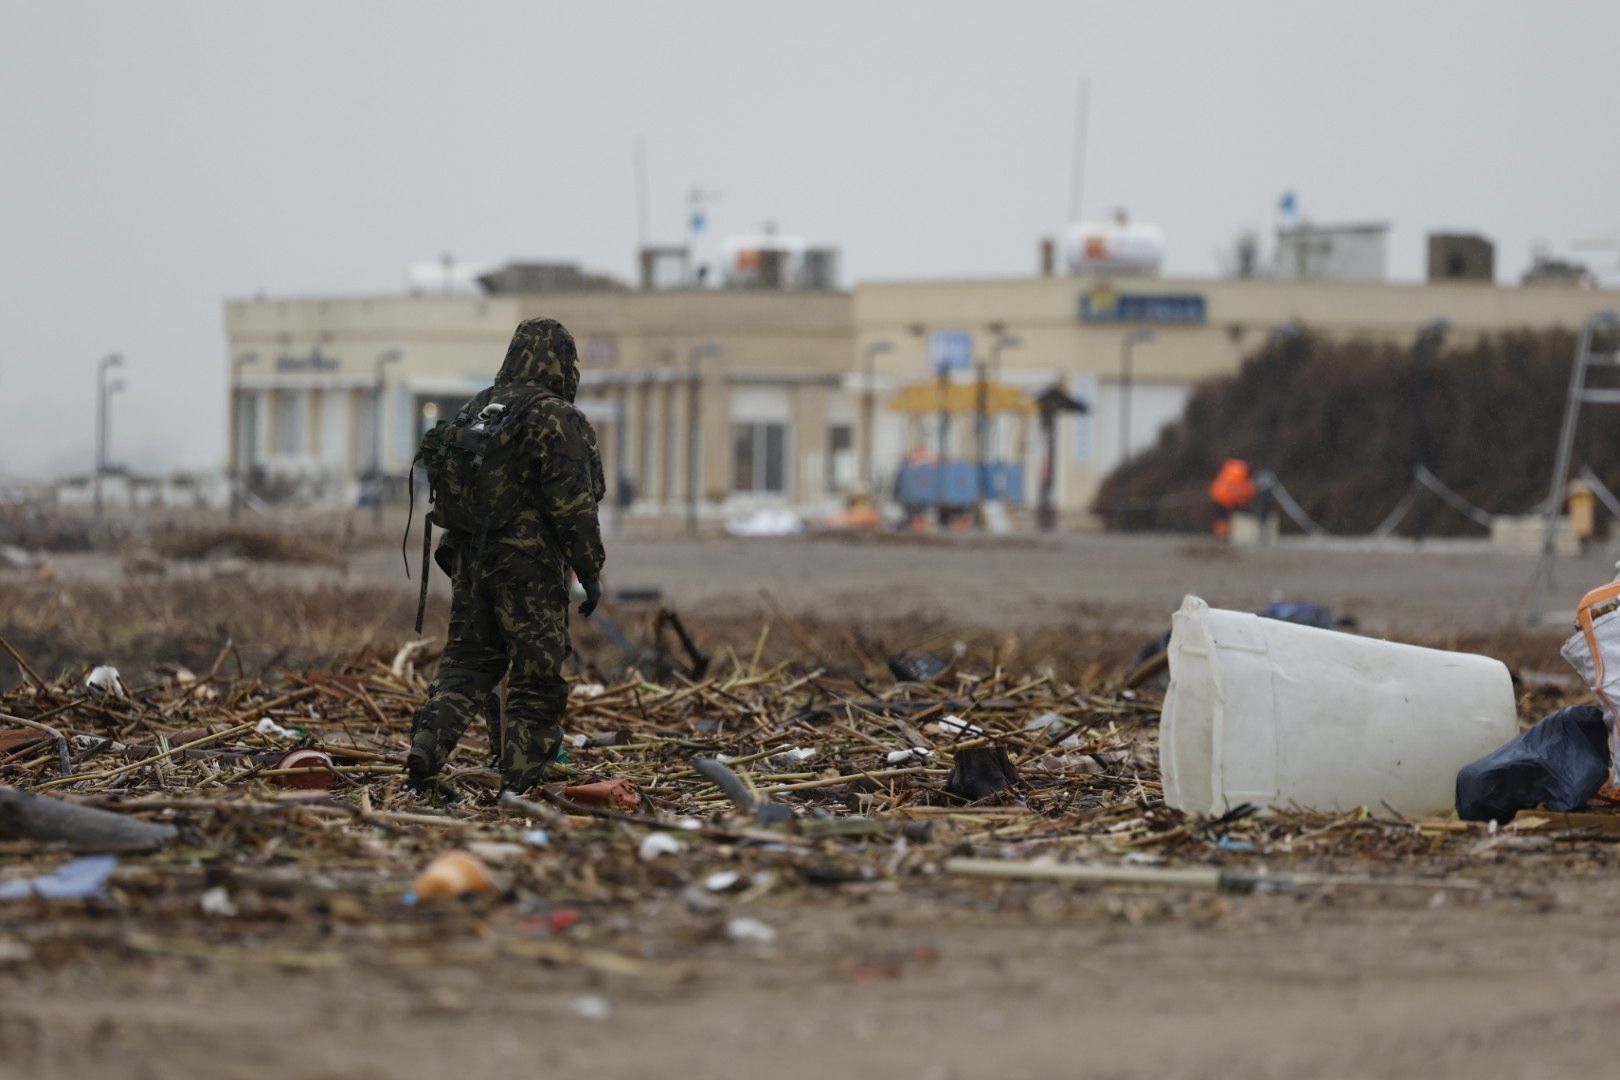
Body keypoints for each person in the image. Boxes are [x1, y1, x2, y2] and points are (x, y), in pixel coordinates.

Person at [406, 317, 606, 795]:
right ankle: (522, 779)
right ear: (560, 362)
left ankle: (427, 747)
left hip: (470, 562)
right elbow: (573, 503)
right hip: (528, 569)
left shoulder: (480, 408)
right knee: (536, 675)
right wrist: (591, 568)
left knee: (467, 662)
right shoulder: (556, 415)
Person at [1208, 457, 1257, 538]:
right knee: (1223, 519)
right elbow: (1241, 492)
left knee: (1222, 518)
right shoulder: (1240, 476)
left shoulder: (1233, 470)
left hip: (1218, 496)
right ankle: (1222, 535)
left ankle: (1222, 534)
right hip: (1224, 499)